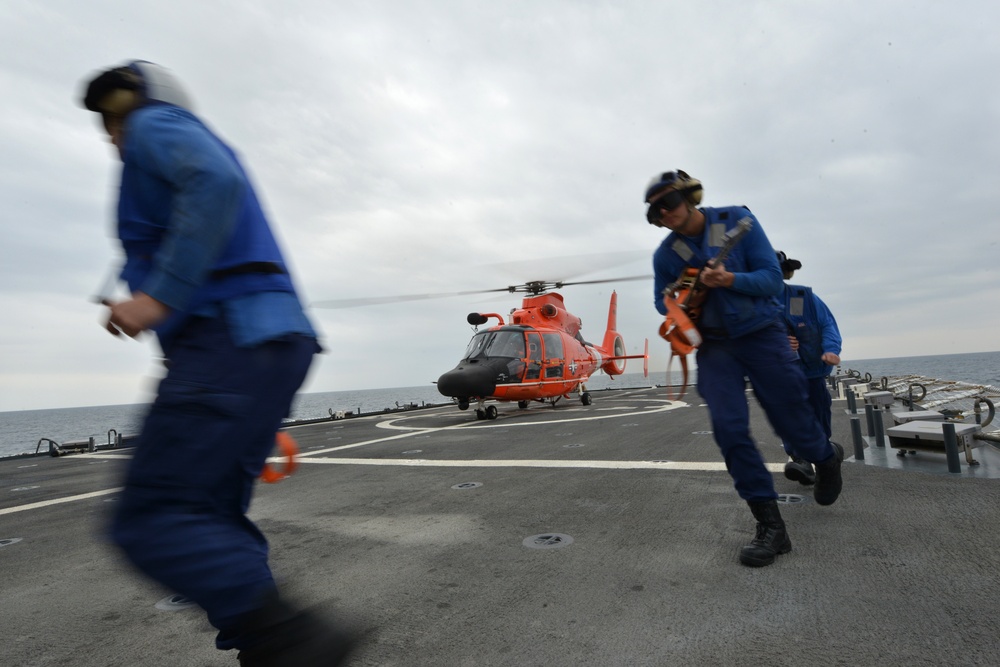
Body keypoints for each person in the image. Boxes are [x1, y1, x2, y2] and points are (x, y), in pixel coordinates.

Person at [80, 61, 355, 665]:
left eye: (118, 114)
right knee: (211, 519)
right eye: (108, 121)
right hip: (262, 351)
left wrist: (157, 296)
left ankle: (295, 644)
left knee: (153, 519)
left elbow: (213, 180)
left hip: (231, 342)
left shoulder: (159, 125)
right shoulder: (158, 145)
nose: (113, 132)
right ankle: (274, 651)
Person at [645, 170, 844, 567]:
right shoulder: (666, 255)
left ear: (691, 197)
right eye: (654, 212)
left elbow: (772, 280)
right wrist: (684, 301)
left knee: (792, 422)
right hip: (716, 346)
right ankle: (771, 526)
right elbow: (661, 304)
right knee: (729, 429)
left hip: (761, 334)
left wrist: (729, 279)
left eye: (668, 204)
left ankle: (824, 457)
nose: (663, 214)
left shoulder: (737, 222)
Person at [776, 251, 843, 486]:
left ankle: (826, 454)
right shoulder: (752, 303)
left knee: (819, 414)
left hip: (813, 372)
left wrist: (831, 350)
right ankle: (801, 460)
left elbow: (827, 325)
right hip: (781, 375)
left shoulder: (801, 298)